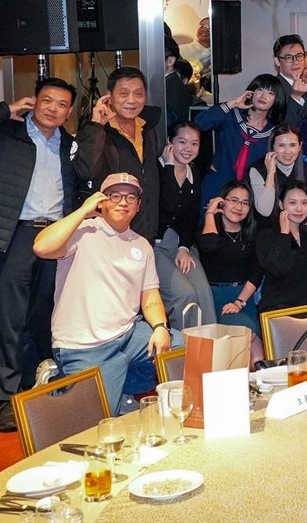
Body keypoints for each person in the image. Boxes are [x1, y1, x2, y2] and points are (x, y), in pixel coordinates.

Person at [0, 78, 78, 431]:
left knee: (43, 317)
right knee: (9, 319)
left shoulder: (69, 145)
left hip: (53, 237)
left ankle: (35, 383)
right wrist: (4, 109)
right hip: (13, 234)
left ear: (69, 111)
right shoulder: (5, 134)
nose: (53, 108)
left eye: (62, 104)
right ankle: (6, 398)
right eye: (47, 100)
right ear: (33, 102)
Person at [32, 173, 182, 415]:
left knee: (178, 346)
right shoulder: (82, 231)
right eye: (115, 195)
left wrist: (160, 327)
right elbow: (41, 247)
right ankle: (58, 383)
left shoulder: (142, 245)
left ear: (138, 205)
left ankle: (123, 390)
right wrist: (83, 211)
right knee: (96, 421)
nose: (123, 202)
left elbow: (150, 294)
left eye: (130, 197)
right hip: (84, 346)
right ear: (101, 201)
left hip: (129, 336)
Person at [75, 67, 163, 238]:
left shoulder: (147, 128)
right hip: (109, 232)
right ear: (109, 96)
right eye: (124, 94)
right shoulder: (97, 130)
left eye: (138, 94)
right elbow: (86, 171)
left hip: (145, 230)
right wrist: (96, 126)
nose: (132, 100)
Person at [195, 74, 285, 214]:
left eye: (270, 93)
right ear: (251, 92)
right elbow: (200, 123)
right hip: (217, 183)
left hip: (247, 191)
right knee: (207, 223)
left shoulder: (273, 132)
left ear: (276, 99)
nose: (263, 96)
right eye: (260, 90)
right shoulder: (231, 115)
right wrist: (232, 103)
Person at [153, 122, 214, 327]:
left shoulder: (193, 173)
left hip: (180, 243)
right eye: (182, 142)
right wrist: (169, 167)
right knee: (185, 294)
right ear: (170, 142)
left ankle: (209, 344)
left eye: (194, 144)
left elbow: (191, 216)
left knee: (203, 292)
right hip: (154, 245)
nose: (188, 148)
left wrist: (184, 248)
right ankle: (185, 345)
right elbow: (168, 202)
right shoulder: (154, 169)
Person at [254, 180, 307, 314]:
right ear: (281, 204)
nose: (299, 209)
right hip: (277, 311)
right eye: (292, 203)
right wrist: (284, 235)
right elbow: (279, 269)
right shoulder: (266, 235)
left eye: (304, 203)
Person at [199, 181, 263, 335]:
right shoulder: (206, 229)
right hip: (214, 298)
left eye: (245, 203)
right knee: (246, 333)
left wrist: (239, 302)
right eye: (234, 200)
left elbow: (256, 273)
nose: (239, 207)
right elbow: (209, 246)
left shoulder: (251, 234)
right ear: (222, 202)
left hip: (244, 297)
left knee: (258, 340)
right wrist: (210, 214)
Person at [248, 125, 307, 219]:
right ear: (273, 147)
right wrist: (270, 173)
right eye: (281, 145)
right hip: (265, 225)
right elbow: (265, 211)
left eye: (292, 145)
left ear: (300, 146)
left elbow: (304, 209)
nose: (288, 151)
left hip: (294, 223)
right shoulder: (257, 169)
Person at [273, 34, 307, 124]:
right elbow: (281, 126)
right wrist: (296, 97)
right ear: (277, 61)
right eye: (289, 57)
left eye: (299, 56)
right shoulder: (272, 89)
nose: (296, 62)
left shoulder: (305, 85)